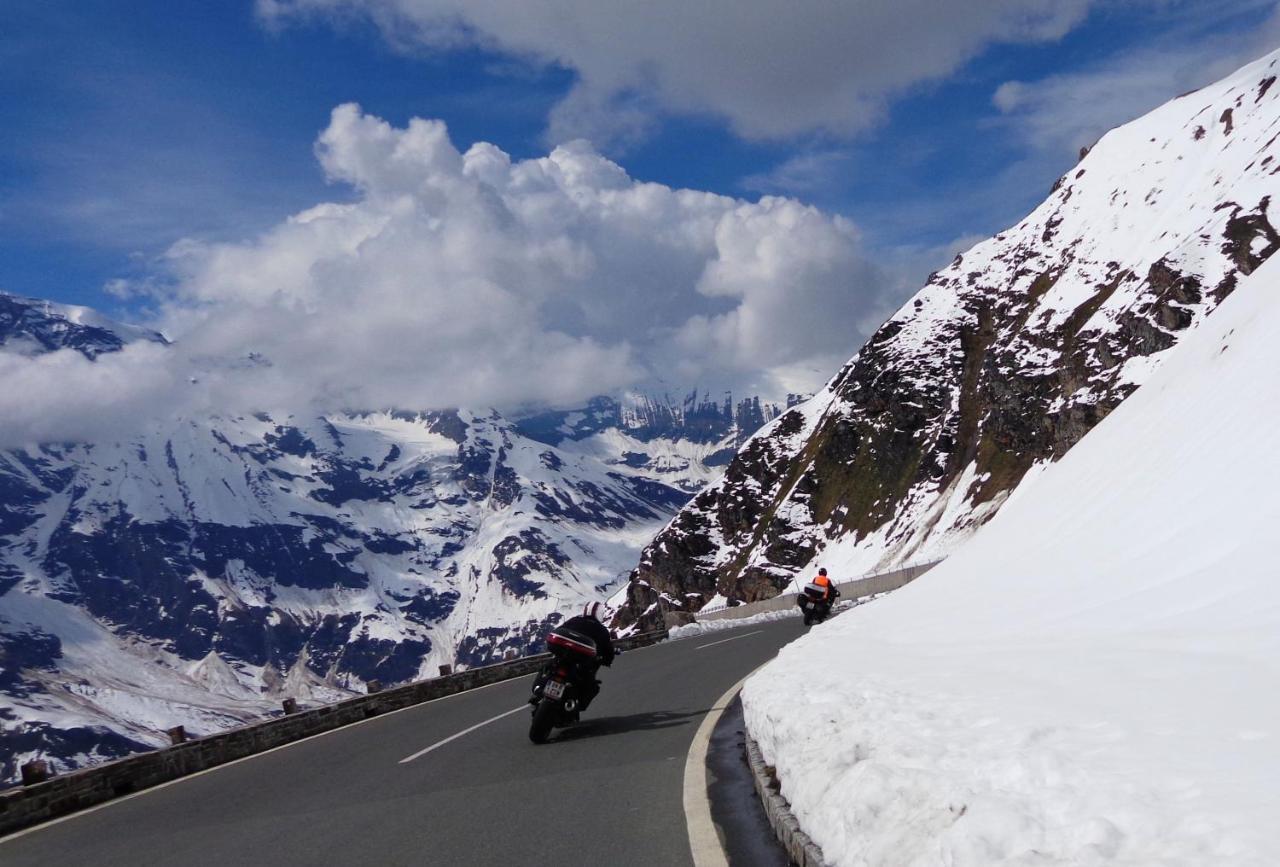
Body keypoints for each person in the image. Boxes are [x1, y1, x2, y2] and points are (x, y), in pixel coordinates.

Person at [550, 602, 616, 715]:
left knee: (549, 667)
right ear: (599, 614)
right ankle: (575, 704)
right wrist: (607, 660)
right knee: (592, 686)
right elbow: (608, 649)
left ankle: (539, 689)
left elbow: (559, 631)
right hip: (583, 663)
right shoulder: (602, 630)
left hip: (564, 656)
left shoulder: (574, 620)